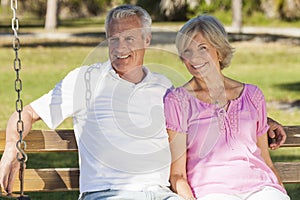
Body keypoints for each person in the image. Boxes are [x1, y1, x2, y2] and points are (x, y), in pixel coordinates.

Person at [0, 4, 286, 200]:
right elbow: (26, 114)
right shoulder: (83, 80)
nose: (121, 48)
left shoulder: (163, 86)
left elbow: (202, 107)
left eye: (130, 39)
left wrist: (262, 120)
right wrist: (12, 146)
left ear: (147, 39)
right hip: (109, 192)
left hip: (162, 193)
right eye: (114, 39)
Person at [164, 15, 290, 200]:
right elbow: (178, 175)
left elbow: (267, 162)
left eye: (202, 48)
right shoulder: (178, 101)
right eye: (187, 51)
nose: (194, 58)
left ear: (220, 51)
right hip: (212, 191)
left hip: (262, 188)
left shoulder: (252, 96)